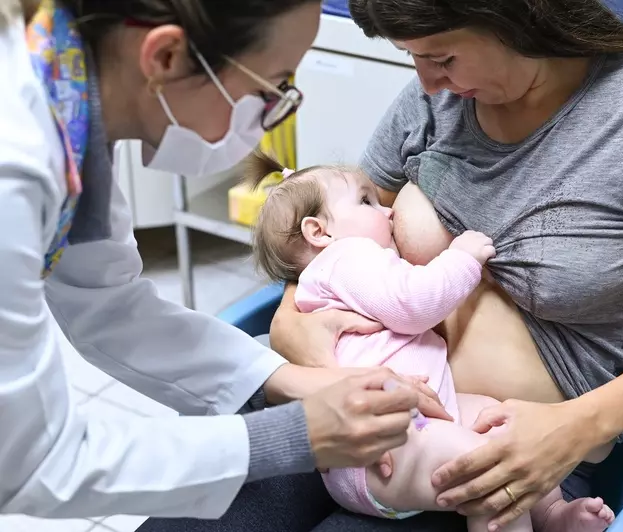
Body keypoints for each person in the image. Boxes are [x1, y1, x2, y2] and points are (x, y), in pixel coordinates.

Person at [141, 0, 623, 530]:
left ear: (515, 15)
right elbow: (331, 236)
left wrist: (574, 426)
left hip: (497, 456)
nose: (427, 82)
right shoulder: (436, 99)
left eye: (442, 58)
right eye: (413, 57)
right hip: (350, 401)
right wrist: (293, 328)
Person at [0, 0, 450, 521]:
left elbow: (106, 303)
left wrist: (289, 380)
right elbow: (34, 463)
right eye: (268, 90)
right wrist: (294, 435)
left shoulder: (67, 94)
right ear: (165, 56)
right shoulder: (15, 165)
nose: (266, 126)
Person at [246, 162, 616, 532]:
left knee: (500, 422)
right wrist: (463, 259)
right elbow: (412, 305)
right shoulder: (347, 258)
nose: (387, 210)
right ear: (319, 232)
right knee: (491, 466)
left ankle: (549, 513)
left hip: (414, 424)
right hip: (391, 439)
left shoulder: (334, 273)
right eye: (366, 202)